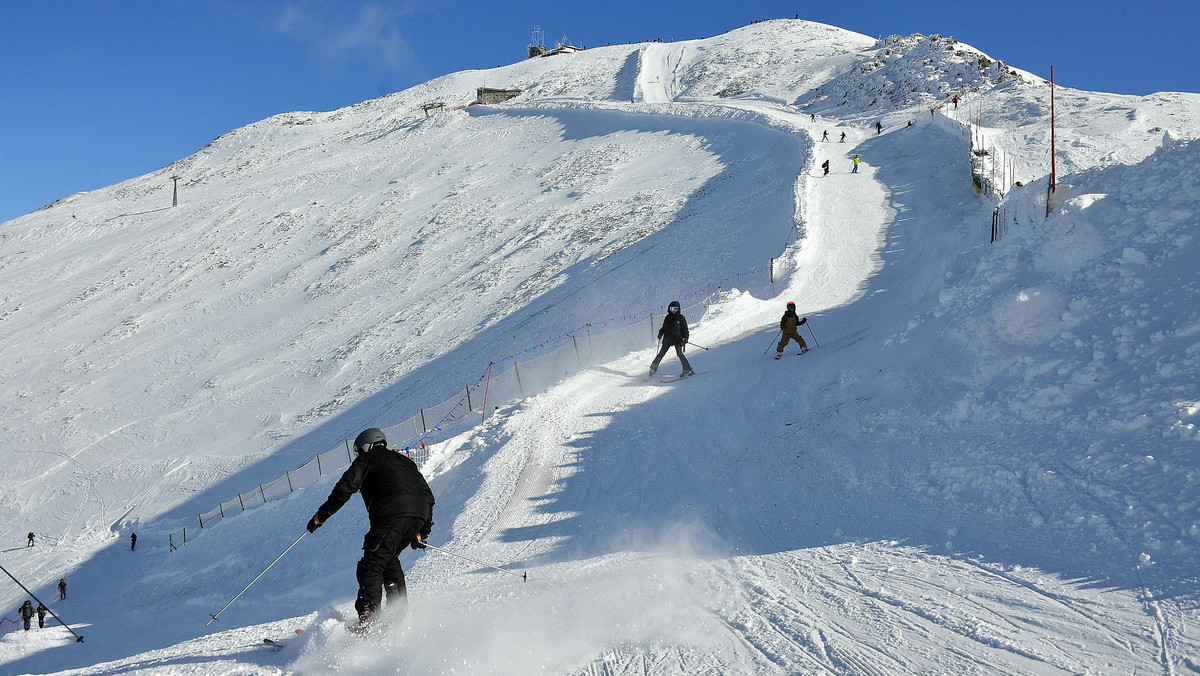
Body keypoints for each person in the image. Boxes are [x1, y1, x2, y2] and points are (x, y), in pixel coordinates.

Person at [307, 428, 435, 629]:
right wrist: (423, 531)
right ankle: (398, 614)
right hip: (417, 514)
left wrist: (320, 516)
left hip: (392, 515)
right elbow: (428, 496)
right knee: (388, 559)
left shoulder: (367, 459)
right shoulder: (405, 461)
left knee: (372, 563)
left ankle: (369, 616)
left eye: (359, 450)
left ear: (366, 445)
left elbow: (345, 488)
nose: (358, 454)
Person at [649, 300, 694, 377]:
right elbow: (664, 327)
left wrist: (685, 338)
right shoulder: (667, 317)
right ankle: (653, 369)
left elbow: (685, 330)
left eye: (675, 309)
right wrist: (660, 333)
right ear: (669, 309)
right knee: (661, 353)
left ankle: (687, 370)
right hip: (668, 339)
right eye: (672, 309)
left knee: (679, 354)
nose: (673, 311)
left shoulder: (681, 318)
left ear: (678, 309)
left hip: (678, 339)